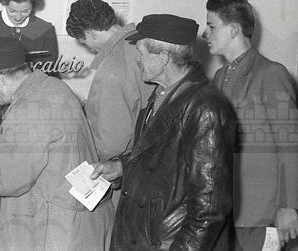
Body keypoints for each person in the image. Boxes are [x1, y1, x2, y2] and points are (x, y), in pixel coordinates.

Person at [0, 37, 112, 250]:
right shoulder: (51, 87)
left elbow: (5, 180)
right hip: (81, 222)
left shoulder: (28, 108)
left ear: (0, 79)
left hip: (58, 230)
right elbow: (32, 138)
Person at [91, 14, 236, 250]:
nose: (137, 59)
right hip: (145, 235)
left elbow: (209, 206)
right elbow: (161, 158)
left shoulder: (206, 107)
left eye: (141, 53)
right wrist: (121, 166)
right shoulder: (161, 94)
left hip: (168, 242)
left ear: (164, 57)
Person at [204, 0, 298, 250]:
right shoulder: (220, 76)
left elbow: (290, 146)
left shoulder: (270, 73)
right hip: (226, 209)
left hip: (261, 213)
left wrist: (288, 206)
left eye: (212, 26)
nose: (205, 33)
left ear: (233, 29)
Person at [66, 0, 152, 166]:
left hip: (125, 162)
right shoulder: (143, 43)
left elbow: (111, 143)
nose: (90, 49)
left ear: (91, 34)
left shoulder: (111, 68)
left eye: (84, 42)